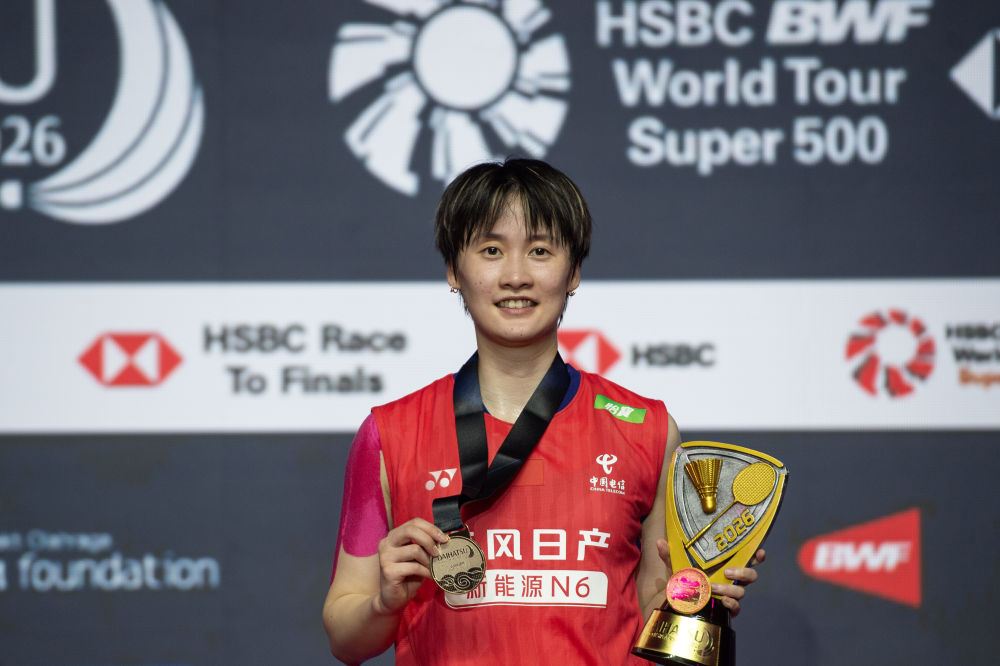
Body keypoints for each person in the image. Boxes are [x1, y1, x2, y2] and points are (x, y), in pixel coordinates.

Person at [322, 158, 762, 665]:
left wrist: (693, 603)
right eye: (491, 250)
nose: (515, 276)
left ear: (572, 272)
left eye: (540, 251)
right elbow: (345, 639)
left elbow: (652, 607)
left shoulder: (647, 430)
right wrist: (383, 603)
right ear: (454, 271)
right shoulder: (390, 433)